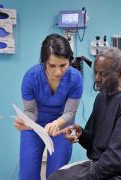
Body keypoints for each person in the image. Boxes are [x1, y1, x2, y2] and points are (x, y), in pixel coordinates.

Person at [48, 47, 121, 180]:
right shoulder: (102, 97)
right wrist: (79, 134)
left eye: (103, 74)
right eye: (95, 73)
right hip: (107, 166)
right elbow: (93, 142)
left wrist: (85, 177)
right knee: (56, 177)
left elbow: (116, 159)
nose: (97, 78)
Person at [14, 34, 83, 180]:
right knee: (27, 174)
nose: (58, 72)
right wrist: (24, 120)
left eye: (63, 65)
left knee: (57, 174)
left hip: (63, 126)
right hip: (34, 127)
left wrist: (56, 123)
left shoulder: (76, 78)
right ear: (44, 62)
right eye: (52, 66)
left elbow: (70, 113)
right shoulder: (31, 77)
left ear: (69, 61)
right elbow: (30, 111)